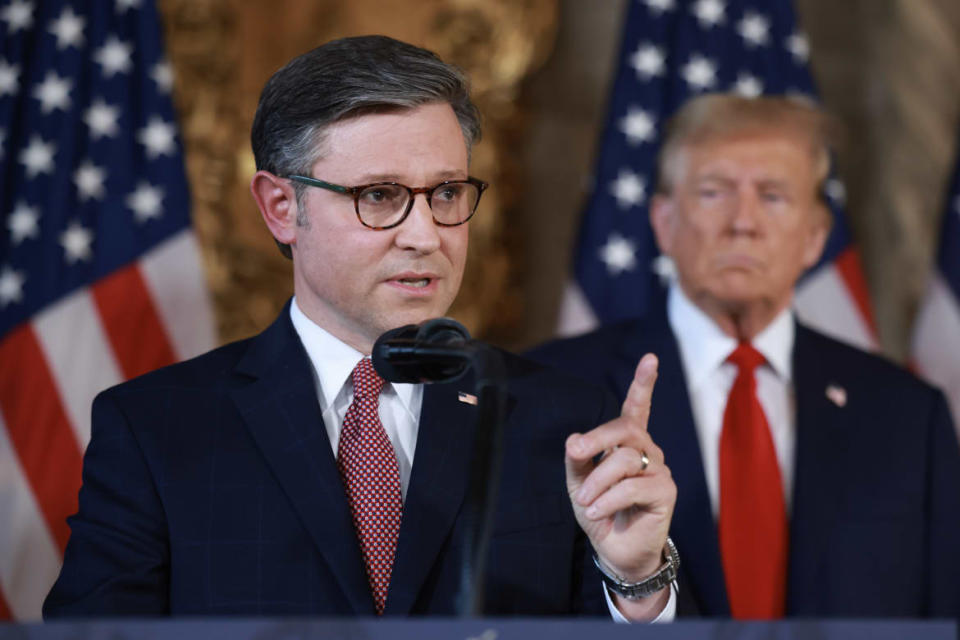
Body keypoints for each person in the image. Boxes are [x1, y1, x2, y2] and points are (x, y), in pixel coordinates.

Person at [44, 36, 678, 620]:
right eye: (379, 196)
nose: (427, 235)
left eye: (447, 193)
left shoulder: (565, 422)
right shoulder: (155, 430)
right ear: (281, 207)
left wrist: (636, 581)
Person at [531, 94, 960, 619]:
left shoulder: (907, 415)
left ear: (815, 237)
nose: (744, 222)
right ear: (663, 222)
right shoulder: (553, 390)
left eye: (774, 196)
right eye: (714, 193)